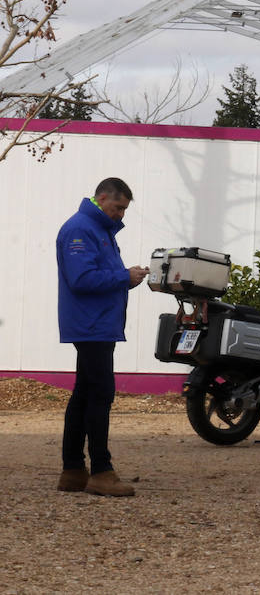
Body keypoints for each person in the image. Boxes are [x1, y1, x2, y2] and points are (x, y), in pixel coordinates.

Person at [56, 177, 149, 497]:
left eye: (124, 209)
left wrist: (126, 279)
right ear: (103, 197)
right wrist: (125, 276)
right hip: (91, 325)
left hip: (97, 324)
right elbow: (82, 279)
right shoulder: (81, 229)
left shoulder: (99, 230)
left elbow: (95, 275)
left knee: (84, 393)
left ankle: (72, 470)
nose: (121, 214)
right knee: (100, 394)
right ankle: (101, 471)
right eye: (118, 207)